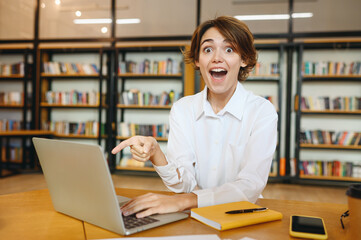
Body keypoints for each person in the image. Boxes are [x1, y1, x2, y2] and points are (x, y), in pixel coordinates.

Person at [111, 16, 278, 218]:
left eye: (229, 49)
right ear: (198, 60)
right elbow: (185, 184)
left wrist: (186, 200)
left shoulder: (262, 111)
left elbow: (250, 186)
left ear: (244, 59)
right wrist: (156, 153)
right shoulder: (182, 109)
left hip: (240, 216)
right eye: (208, 49)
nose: (217, 57)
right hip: (193, 216)